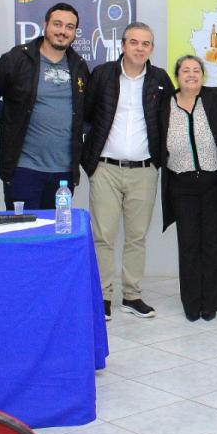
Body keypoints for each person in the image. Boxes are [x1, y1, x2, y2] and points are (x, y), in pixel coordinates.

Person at [83, 23, 172, 322]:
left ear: (151, 48)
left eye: (146, 43)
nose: (139, 48)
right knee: (103, 236)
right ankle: (103, 296)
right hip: (106, 168)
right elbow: (87, 115)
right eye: (134, 42)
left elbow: (166, 121)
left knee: (136, 237)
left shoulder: (160, 79)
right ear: (123, 45)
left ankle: (132, 296)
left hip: (144, 170)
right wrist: (89, 160)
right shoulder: (102, 75)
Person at [0, 2, 90, 210]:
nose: (63, 31)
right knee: (24, 229)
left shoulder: (79, 66)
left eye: (69, 27)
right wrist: (11, 119)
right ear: (45, 25)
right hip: (23, 169)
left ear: (75, 32)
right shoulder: (17, 59)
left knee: (57, 228)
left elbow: (86, 112)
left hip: (63, 173)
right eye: (57, 24)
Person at [159, 55, 217, 321]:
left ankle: (210, 303)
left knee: (213, 245)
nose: (191, 75)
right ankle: (191, 303)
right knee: (188, 244)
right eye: (185, 71)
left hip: (213, 184)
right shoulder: (165, 103)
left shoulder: (215, 98)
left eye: (196, 70)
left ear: (203, 75)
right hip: (181, 186)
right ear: (177, 76)